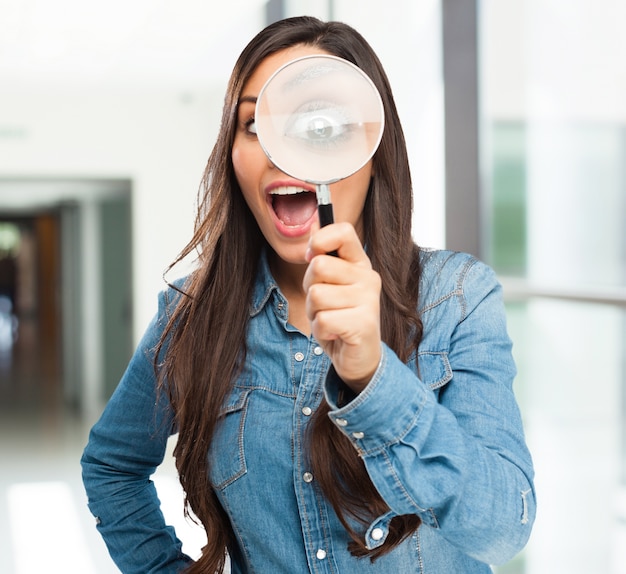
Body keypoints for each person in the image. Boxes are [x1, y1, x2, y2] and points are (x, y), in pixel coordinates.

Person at [81, 16, 536, 574]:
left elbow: (502, 530)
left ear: (373, 151)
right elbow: (112, 466)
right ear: (231, 151)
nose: (284, 148)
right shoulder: (191, 311)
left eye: (320, 124)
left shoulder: (458, 296)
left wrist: (374, 377)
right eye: (255, 123)